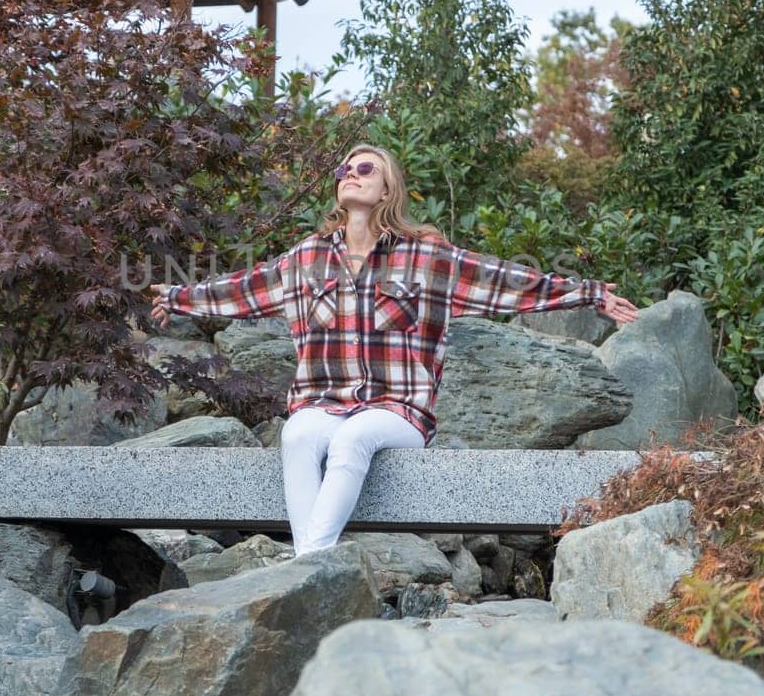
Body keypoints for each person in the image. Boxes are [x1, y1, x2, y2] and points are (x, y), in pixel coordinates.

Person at [149, 143, 640, 557]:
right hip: (322, 400)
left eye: (365, 169)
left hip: (397, 411)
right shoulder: (306, 258)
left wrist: (591, 293)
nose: (351, 175)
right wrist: (177, 297)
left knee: (350, 441)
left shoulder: (425, 257)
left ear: (387, 189)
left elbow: (506, 282)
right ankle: (313, 566)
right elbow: (243, 289)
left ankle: (305, 567)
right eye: (344, 169)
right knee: (298, 437)